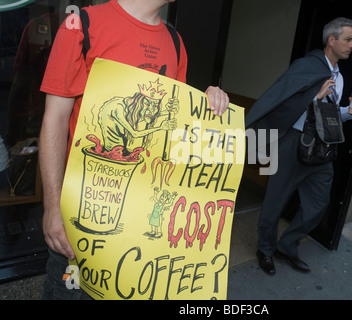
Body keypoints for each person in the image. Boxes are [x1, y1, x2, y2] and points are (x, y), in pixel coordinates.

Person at [39, 0, 229, 299]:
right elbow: (55, 119)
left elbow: (172, 128)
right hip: (83, 210)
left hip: (138, 214)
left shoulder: (175, 42)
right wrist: (52, 208)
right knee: (69, 292)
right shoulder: (82, 25)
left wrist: (207, 106)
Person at [245, 17, 352, 275]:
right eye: (348, 39)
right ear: (332, 40)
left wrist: (350, 112)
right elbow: (283, 100)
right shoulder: (306, 66)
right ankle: (266, 250)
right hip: (292, 143)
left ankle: (287, 246)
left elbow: (329, 114)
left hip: (321, 149)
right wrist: (315, 97)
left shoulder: (340, 77)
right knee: (274, 202)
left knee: (318, 205)